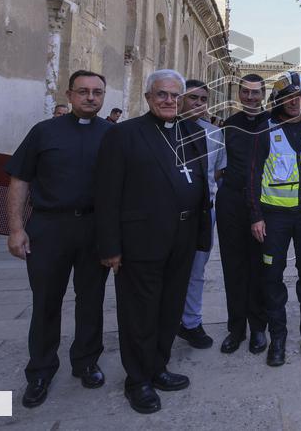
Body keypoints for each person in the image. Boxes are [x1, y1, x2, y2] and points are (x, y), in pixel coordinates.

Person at [95, 69, 212, 415]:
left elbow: (201, 183)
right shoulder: (126, 135)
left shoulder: (194, 133)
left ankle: (159, 367)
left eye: (176, 96)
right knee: (139, 313)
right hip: (140, 240)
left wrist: (202, 235)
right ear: (148, 97)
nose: (169, 101)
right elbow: (106, 194)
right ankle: (138, 380)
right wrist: (109, 246)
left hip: (184, 237)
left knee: (170, 308)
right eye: (162, 94)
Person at [5, 70, 112, 408]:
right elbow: (19, 181)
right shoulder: (43, 132)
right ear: (69, 94)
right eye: (83, 91)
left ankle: (86, 361)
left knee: (91, 299)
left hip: (95, 228)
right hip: (49, 228)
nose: (90, 97)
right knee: (47, 301)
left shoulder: (113, 135)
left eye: (97, 92)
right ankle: (40, 370)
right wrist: (15, 229)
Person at [249, 72, 301, 366]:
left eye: (300, 97)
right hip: (274, 217)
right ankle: (278, 339)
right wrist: (256, 216)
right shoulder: (265, 130)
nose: (294, 102)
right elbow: (253, 174)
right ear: (279, 101)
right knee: (272, 278)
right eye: (288, 97)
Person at [217, 74, 269, 355]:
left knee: (259, 266)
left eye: (255, 93)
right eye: (245, 93)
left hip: (262, 203)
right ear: (239, 94)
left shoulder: (272, 124)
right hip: (232, 201)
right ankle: (236, 328)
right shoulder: (228, 125)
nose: (250, 98)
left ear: (263, 94)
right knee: (233, 266)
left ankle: (259, 327)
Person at [177, 80, 226, 349]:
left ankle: (191, 322)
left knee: (197, 270)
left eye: (203, 99)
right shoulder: (166, 131)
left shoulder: (214, 133)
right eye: (192, 98)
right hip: (169, 215)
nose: (198, 104)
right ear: (181, 99)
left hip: (204, 212)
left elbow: (218, 171)